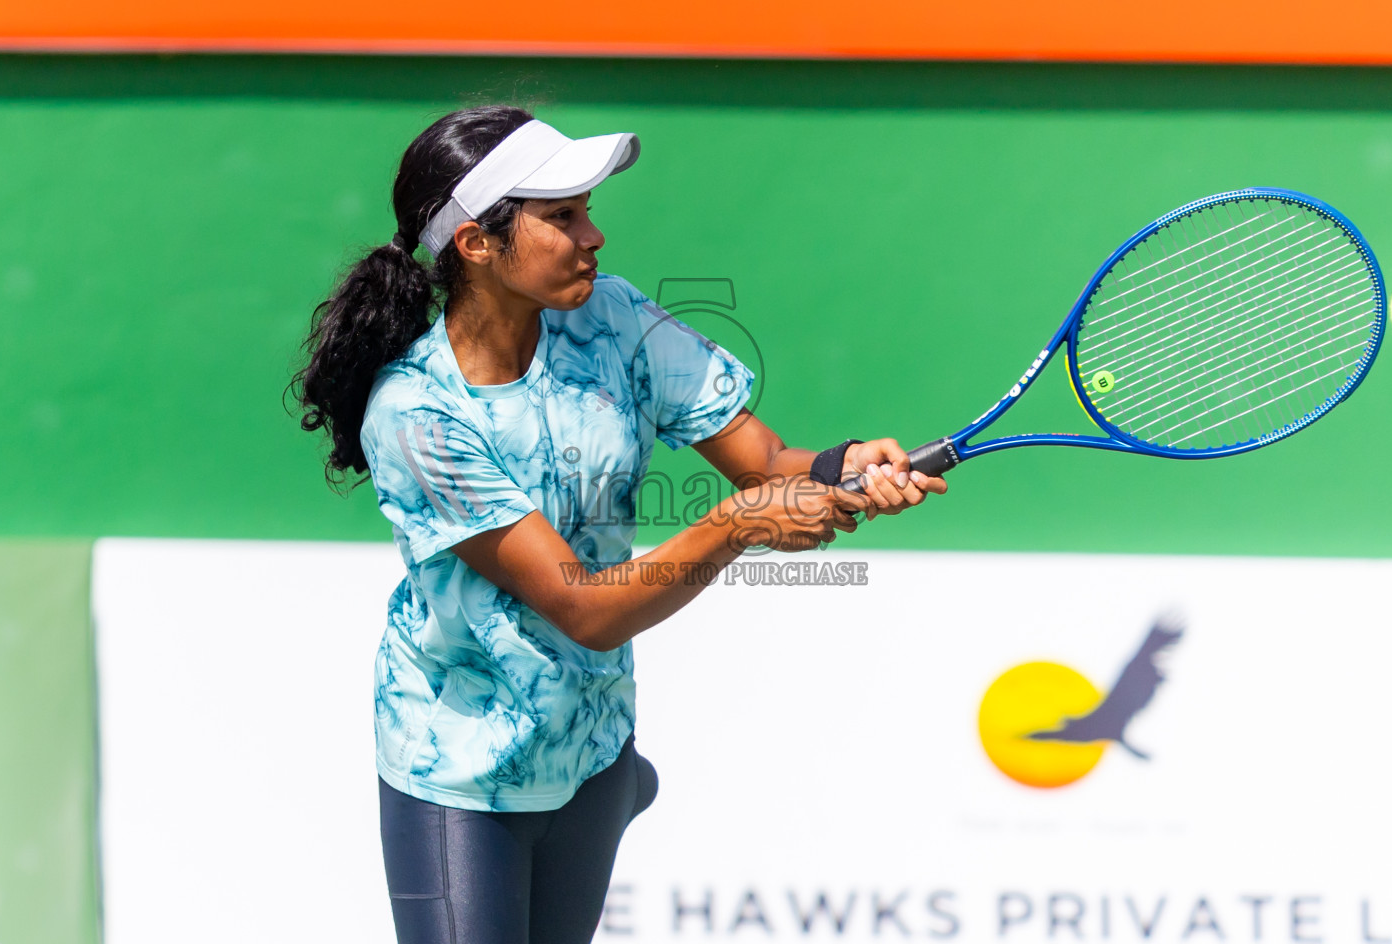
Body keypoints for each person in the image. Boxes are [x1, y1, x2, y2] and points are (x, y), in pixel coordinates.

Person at [292, 105, 947, 944]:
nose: (593, 236)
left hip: (590, 750)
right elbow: (583, 609)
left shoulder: (614, 316)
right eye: (562, 218)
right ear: (476, 244)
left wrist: (850, 468)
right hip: (460, 779)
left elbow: (766, 461)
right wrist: (742, 525)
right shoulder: (418, 414)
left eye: (587, 211)